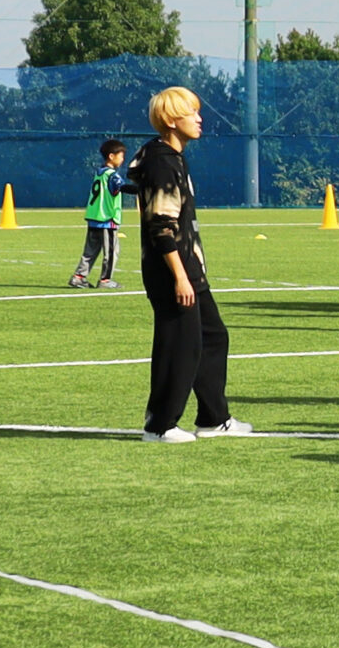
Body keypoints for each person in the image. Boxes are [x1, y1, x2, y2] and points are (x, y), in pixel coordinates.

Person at [129, 87, 249, 443]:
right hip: (172, 270)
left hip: (189, 267)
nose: (200, 119)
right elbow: (161, 227)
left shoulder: (170, 157)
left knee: (213, 337)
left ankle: (214, 418)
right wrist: (180, 277)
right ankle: (160, 425)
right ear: (170, 120)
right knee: (179, 345)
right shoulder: (162, 162)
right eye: (191, 113)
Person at [68, 137, 130, 289]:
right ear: (111, 156)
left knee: (90, 250)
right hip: (106, 219)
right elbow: (122, 188)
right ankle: (105, 280)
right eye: (121, 156)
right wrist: (143, 189)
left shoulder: (100, 173)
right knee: (111, 251)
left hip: (94, 218)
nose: (123, 159)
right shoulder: (112, 175)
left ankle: (78, 277)